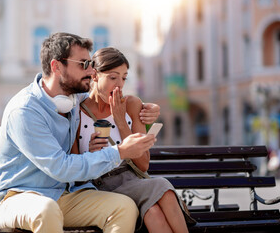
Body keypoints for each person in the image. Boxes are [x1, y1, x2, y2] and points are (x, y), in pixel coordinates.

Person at [0, 32, 161, 233]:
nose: (90, 71)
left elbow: (102, 96)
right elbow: (60, 168)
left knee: (124, 207)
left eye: (90, 64)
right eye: (82, 64)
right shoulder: (25, 111)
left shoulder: (73, 98)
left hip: (65, 194)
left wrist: (147, 109)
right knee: (46, 210)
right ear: (56, 66)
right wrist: (120, 152)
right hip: (17, 197)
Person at [72, 47, 196, 233]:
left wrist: (121, 121)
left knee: (153, 212)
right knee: (161, 186)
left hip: (130, 179)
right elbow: (73, 170)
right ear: (95, 75)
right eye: (113, 77)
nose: (119, 85)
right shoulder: (76, 112)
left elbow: (143, 164)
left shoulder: (131, 104)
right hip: (97, 185)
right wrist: (90, 153)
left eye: (124, 78)